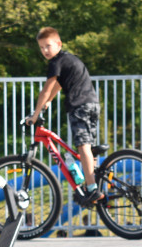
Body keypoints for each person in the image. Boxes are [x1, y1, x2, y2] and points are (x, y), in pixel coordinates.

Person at [25, 26, 104, 206]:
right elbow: (59, 85)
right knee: (88, 147)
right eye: (41, 48)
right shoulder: (69, 59)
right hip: (92, 103)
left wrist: (35, 115)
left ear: (58, 44)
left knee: (82, 144)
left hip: (79, 106)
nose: (45, 51)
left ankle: (92, 188)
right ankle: (94, 181)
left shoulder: (56, 62)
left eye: (48, 46)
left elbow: (46, 89)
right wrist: (49, 102)